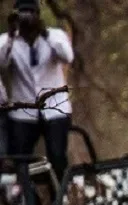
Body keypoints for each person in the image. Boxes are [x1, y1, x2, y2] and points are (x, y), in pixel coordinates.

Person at [0, 0, 73, 180]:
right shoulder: (8, 40)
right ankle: (29, 199)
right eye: (22, 14)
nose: (27, 19)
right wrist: (10, 35)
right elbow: (1, 63)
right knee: (20, 162)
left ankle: (62, 197)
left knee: (57, 157)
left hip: (55, 109)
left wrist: (45, 33)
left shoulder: (55, 36)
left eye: (31, 13)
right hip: (23, 113)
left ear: (38, 15)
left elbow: (67, 56)